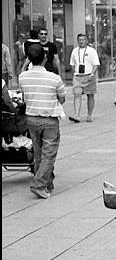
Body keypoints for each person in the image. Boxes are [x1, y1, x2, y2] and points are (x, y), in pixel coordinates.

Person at [18, 43, 66, 200]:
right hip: (49, 119)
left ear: (29, 59)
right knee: (49, 154)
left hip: (31, 118)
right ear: (45, 58)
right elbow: (62, 98)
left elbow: (24, 95)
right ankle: (38, 185)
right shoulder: (54, 78)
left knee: (39, 154)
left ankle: (47, 182)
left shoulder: (23, 77)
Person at [68, 33, 100, 123]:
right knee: (77, 94)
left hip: (89, 75)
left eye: (83, 40)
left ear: (86, 41)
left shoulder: (92, 51)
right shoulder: (74, 51)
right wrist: (74, 74)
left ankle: (89, 115)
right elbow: (72, 64)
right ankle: (77, 115)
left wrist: (92, 74)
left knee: (90, 95)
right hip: (78, 76)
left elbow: (96, 64)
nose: (81, 41)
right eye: (79, 40)